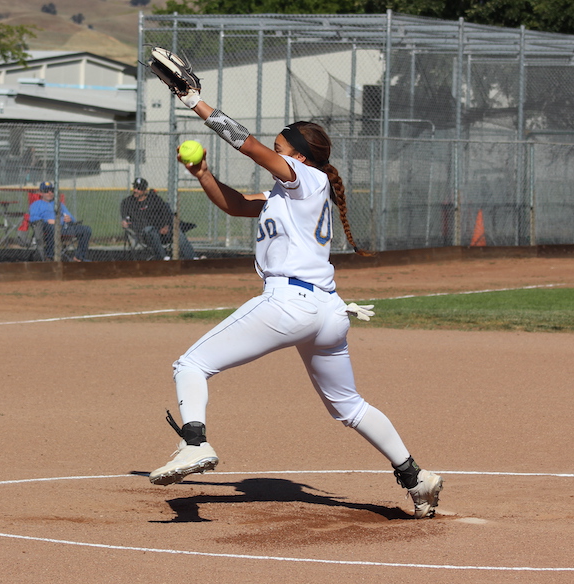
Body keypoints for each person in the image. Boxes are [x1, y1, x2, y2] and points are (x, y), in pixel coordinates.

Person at [148, 52, 443, 519]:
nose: (274, 152)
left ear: (300, 156)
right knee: (348, 407)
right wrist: (203, 174)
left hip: (290, 302)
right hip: (327, 311)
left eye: (280, 148)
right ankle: (415, 477)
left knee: (191, 364)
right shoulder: (288, 193)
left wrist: (196, 103)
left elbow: (246, 144)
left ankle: (195, 442)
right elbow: (237, 205)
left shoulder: (305, 177)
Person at [120, 177, 196, 261]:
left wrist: (166, 226)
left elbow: (167, 214)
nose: (136, 190)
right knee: (149, 229)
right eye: (135, 187)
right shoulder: (127, 202)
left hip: (162, 233)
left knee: (177, 232)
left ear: (145, 190)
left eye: (139, 188)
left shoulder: (155, 200)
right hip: (144, 236)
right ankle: (163, 258)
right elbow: (125, 219)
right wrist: (124, 222)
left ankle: (193, 258)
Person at [29, 181, 92, 262]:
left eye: (52, 191)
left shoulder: (59, 204)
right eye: (46, 191)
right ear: (41, 193)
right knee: (52, 228)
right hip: (47, 227)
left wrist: (69, 219)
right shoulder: (36, 204)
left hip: (63, 227)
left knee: (86, 229)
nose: (49, 193)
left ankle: (79, 257)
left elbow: (72, 218)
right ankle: (50, 256)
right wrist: (47, 220)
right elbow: (32, 218)